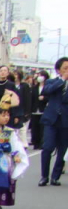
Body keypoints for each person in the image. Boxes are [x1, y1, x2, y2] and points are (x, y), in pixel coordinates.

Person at [38, 57, 68, 186]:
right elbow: (46, 91)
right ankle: (44, 176)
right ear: (58, 70)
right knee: (47, 147)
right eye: (65, 68)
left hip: (66, 120)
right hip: (51, 119)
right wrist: (62, 80)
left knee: (62, 149)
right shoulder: (52, 81)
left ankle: (55, 177)